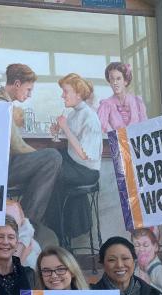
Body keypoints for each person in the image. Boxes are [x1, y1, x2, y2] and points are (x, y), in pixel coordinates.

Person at [0, 63, 62, 227]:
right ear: (17, 84)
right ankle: (27, 223)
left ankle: (22, 220)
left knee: (48, 163)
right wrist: (40, 156)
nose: (29, 95)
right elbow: (17, 146)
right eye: (28, 90)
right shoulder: (1, 104)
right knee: (53, 157)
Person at [45, 73, 102, 241]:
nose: (62, 95)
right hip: (74, 163)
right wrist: (58, 131)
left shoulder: (90, 117)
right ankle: (59, 229)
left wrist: (65, 129)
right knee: (50, 160)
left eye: (65, 91)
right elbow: (69, 142)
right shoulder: (73, 114)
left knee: (53, 175)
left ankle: (60, 233)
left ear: (78, 93)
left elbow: (84, 155)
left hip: (87, 170)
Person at [97, 62, 147, 133]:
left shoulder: (137, 102)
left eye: (118, 79)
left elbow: (146, 128)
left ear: (125, 81)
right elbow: (101, 132)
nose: (115, 83)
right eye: (112, 79)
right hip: (116, 143)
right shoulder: (105, 105)